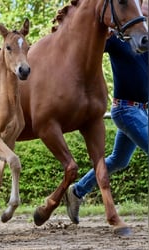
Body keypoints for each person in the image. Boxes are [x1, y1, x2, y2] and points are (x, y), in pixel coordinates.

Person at [63, 1, 148, 224]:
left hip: (142, 111)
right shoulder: (118, 39)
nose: (144, 7)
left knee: (118, 161)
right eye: (142, 4)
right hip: (125, 109)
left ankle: (77, 191)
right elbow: (89, 39)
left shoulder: (144, 40)